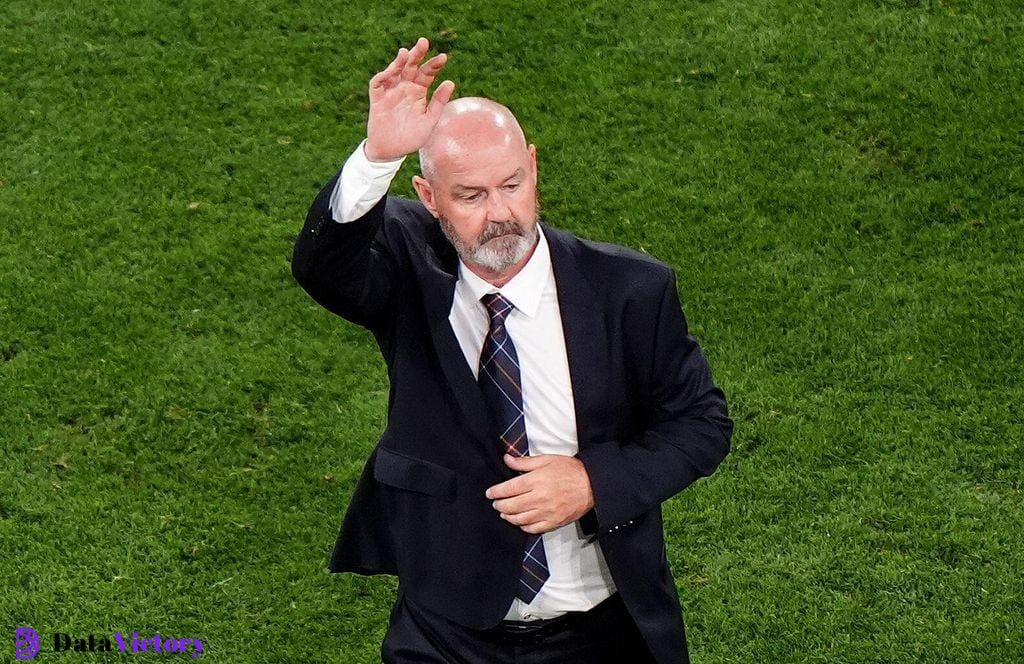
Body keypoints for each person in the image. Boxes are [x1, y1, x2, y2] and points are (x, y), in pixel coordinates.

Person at [291, 36, 733, 664]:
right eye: (470, 196)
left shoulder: (631, 289)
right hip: (446, 631)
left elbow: (702, 424)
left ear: (533, 164)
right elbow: (323, 265)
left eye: (512, 185)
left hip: (603, 628)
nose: (500, 214)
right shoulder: (407, 265)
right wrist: (375, 156)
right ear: (428, 196)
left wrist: (591, 482)